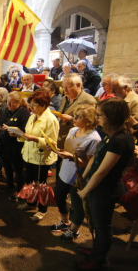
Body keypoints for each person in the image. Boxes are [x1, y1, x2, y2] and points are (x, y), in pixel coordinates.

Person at [75, 98, 134, 270]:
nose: (97, 118)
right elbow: (95, 160)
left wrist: (85, 190)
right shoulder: (110, 134)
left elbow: (102, 171)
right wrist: (83, 175)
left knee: (102, 227)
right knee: (95, 221)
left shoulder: (120, 140)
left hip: (105, 189)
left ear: (111, 117)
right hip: (96, 186)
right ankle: (96, 251)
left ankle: (97, 260)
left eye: (100, 115)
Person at [49, 105, 101, 242]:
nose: (74, 118)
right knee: (59, 196)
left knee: (77, 205)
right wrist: (55, 149)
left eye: (79, 117)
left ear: (89, 120)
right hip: (65, 170)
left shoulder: (94, 138)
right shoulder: (73, 130)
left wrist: (71, 157)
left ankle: (74, 230)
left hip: (79, 176)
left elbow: (89, 163)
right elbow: (68, 148)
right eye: (75, 115)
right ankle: (65, 221)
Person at [13, 91, 59, 221]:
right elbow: (27, 134)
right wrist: (19, 135)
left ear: (44, 105)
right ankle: (31, 203)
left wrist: (36, 139)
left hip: (41, 157)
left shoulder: (50, 119)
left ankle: (42, 210)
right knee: (30, 182)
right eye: (31, 105)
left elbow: (52, 143)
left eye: (35, 105)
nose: (31, 108)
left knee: (41, 185)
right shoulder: (32, 116)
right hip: (28, 155)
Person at [0, 92, 30, 196]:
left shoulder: (24, 112)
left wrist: (16, 133)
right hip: (5, 144)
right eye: (7, 102)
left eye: (12, 103)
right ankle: (9, 183)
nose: (9, 105)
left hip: (16, 146)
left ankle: (19, 188)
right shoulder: (6, 110)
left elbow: (26, 129)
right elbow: (1, 121)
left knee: (18, 168)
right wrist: (1, 127)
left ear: (19, 102)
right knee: (6, 165)